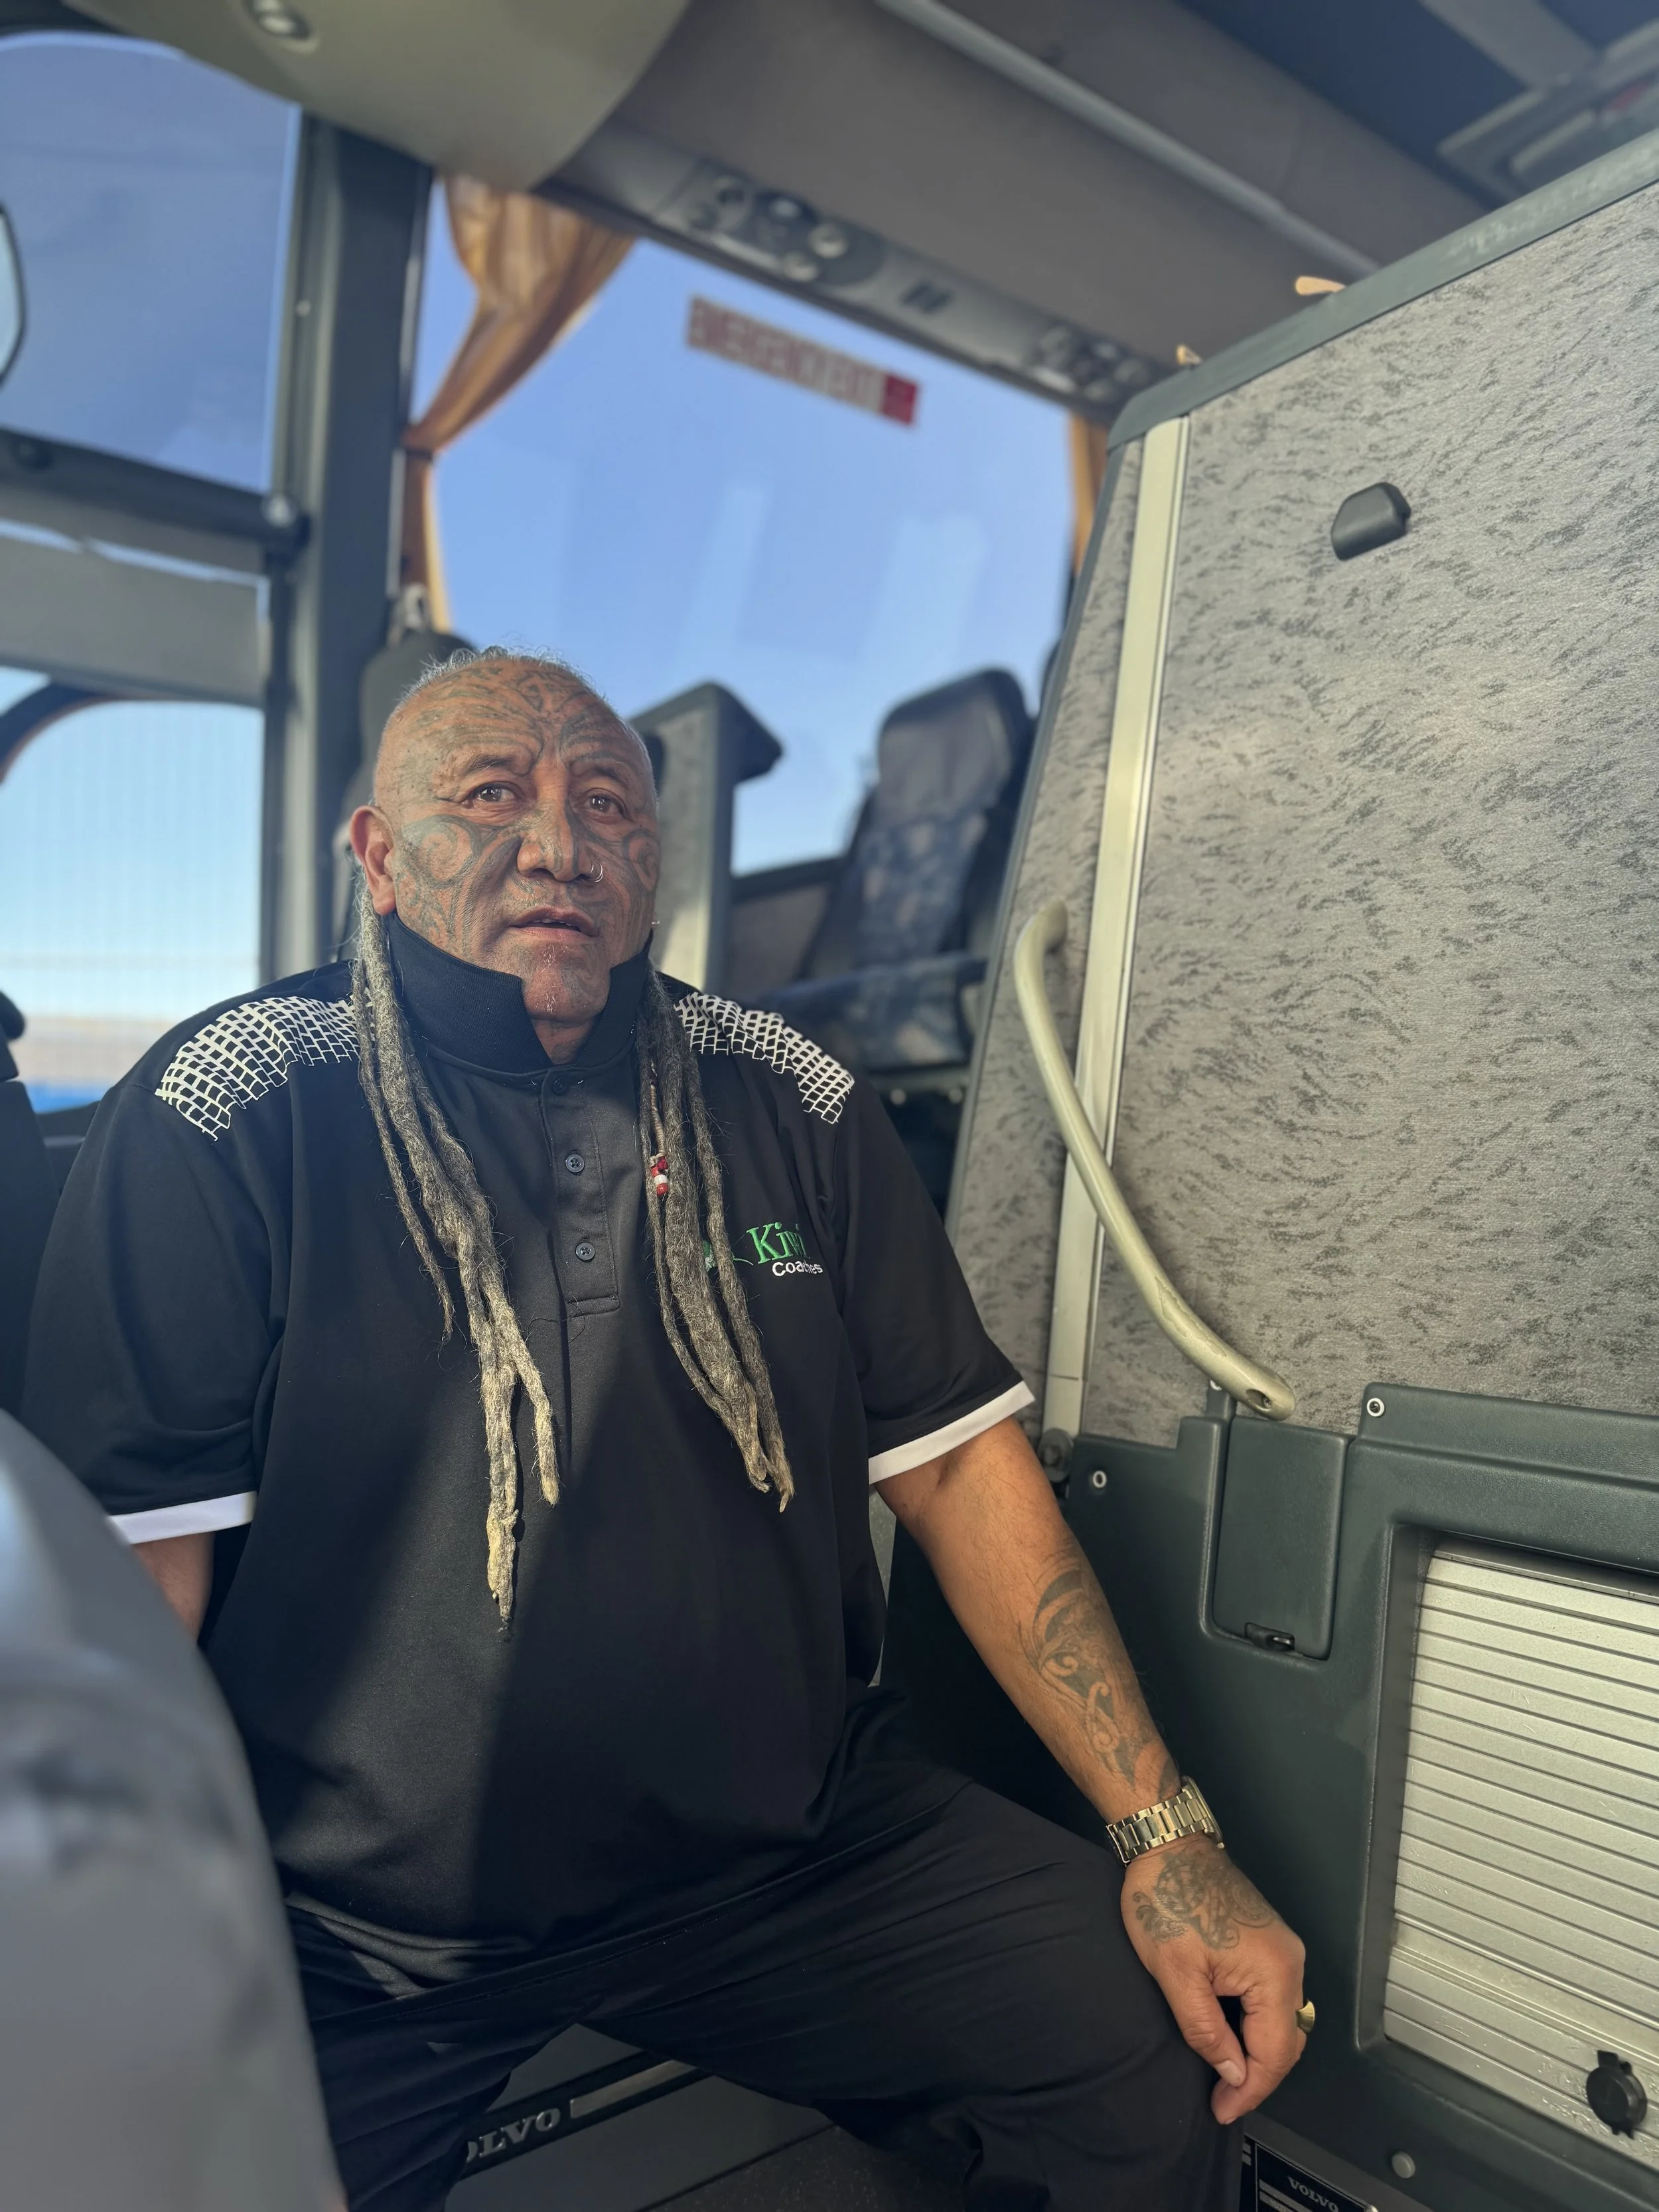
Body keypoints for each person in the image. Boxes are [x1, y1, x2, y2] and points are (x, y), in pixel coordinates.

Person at [23, 650, 1305, 2211]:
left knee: (1140, 2049)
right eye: (490, 795)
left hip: (785, 1854)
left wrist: (1162, 1830)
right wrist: (117, 1957)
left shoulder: (794, 1101)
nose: (557, 841)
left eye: (605, 804)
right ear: (375, 853)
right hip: (359, 1936)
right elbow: (132, 1604)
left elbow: (959, 1462)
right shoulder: (227, 1108)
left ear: (651, 865)